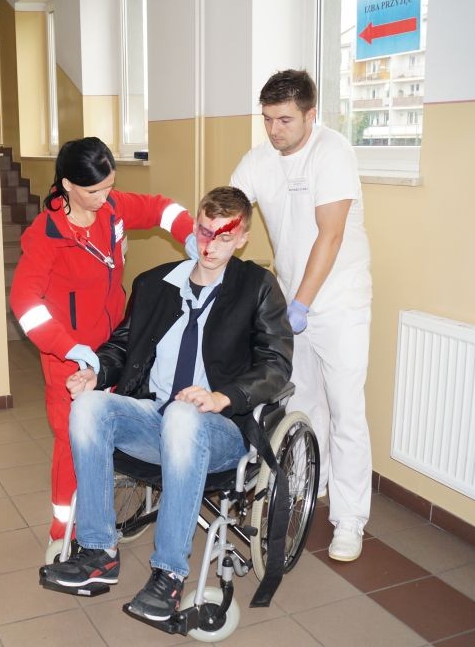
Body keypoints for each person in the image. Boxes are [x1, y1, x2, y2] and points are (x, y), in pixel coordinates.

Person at [41, 186, 292, 621]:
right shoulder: (156, 284)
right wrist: (97, 372)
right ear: (194, 227)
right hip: (153, 418)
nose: (210, 246)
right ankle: (99, 551)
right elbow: (122, 346)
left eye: (224, 237)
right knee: (88, 406)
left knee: (182, 414)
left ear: (243, 238)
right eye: (204, 231)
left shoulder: (256, 287)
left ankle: (169, 574)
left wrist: (222, 396)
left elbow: (276, 364)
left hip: (219, 430)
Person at [9, 136, 198, 543]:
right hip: (69, 358)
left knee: (112, 429)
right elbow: (25, 302)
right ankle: (63, 528)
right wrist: (67, 347)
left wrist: (190, 234)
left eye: (109, 187)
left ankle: (102, 509)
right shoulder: (48, 234)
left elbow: (161, 209)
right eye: (94, 191)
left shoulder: (111, 209)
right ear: (67, 185)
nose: (104, 197)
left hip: (113, 350)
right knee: (72, 440)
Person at [229, 69, 372, 562]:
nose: (274, 130)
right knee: (304, 402)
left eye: (285, 120)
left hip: (339, 301)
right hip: (292, 301)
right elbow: (230, 208)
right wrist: (203, 239)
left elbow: (329, 235)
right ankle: (312, 483)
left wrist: (301, 305)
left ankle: (349, 520)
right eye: (267, 119)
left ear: (312, 114)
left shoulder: (333, 153)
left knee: (346, 409)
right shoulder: (260, 158)